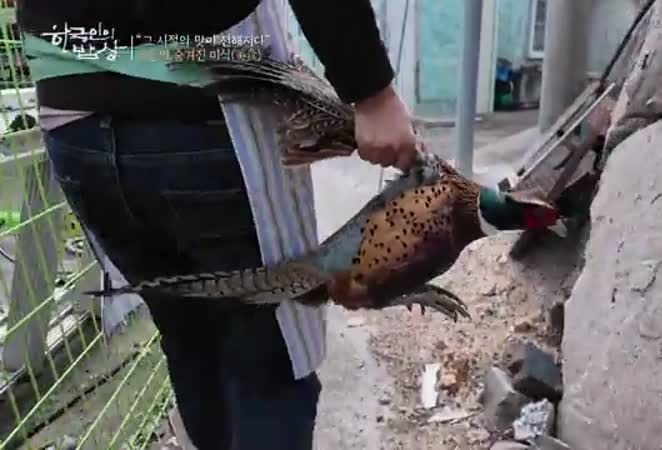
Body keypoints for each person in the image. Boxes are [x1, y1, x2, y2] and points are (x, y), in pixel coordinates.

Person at [16, 0, 418, 448]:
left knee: (192, 345)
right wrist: (371, 91)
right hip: (208, 111)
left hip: (73, 123)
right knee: (269, 367)